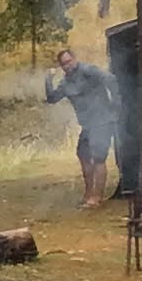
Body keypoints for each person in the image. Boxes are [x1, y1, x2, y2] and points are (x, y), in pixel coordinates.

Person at [43, 48, 120, 208]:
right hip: (87, 125)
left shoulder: (88, 70)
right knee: (83, 155)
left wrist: (115, 104)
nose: (67, 66)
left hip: (102, 120)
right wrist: (48, 79)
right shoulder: (65, 83)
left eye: (69, 61)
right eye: (63, 64)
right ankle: (88, 193)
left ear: (75, 59)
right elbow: (52, 99)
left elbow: (110, 79)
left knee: (98, 157)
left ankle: (96, 198)